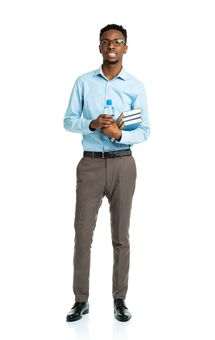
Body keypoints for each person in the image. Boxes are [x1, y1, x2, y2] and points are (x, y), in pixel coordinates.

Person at [64, 24, 150, 322]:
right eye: (106, 41)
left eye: (118, 41)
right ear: (99, 47)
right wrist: (91, 123)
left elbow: (145, 130)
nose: (111, 45)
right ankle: (80, 300)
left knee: (120, 236)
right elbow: (68, 120)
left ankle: (120, 299)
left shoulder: (135, 86)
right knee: (82, 234)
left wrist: (118, 133)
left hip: (123, 164)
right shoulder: (84, 82)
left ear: (126, 47)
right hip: (89, 163)